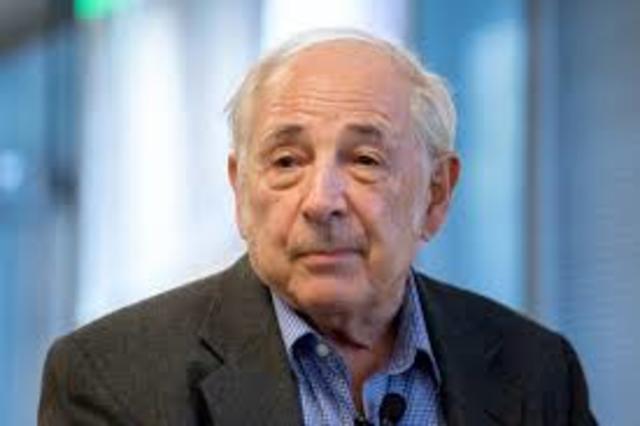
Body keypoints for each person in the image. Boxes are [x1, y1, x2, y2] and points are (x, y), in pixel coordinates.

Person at [38, 29, 597, 425]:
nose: (321, 201)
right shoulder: (112, 378)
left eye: (365, 161)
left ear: (436, 194)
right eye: (287, 162)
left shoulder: (539, 373)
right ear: (240, 191)